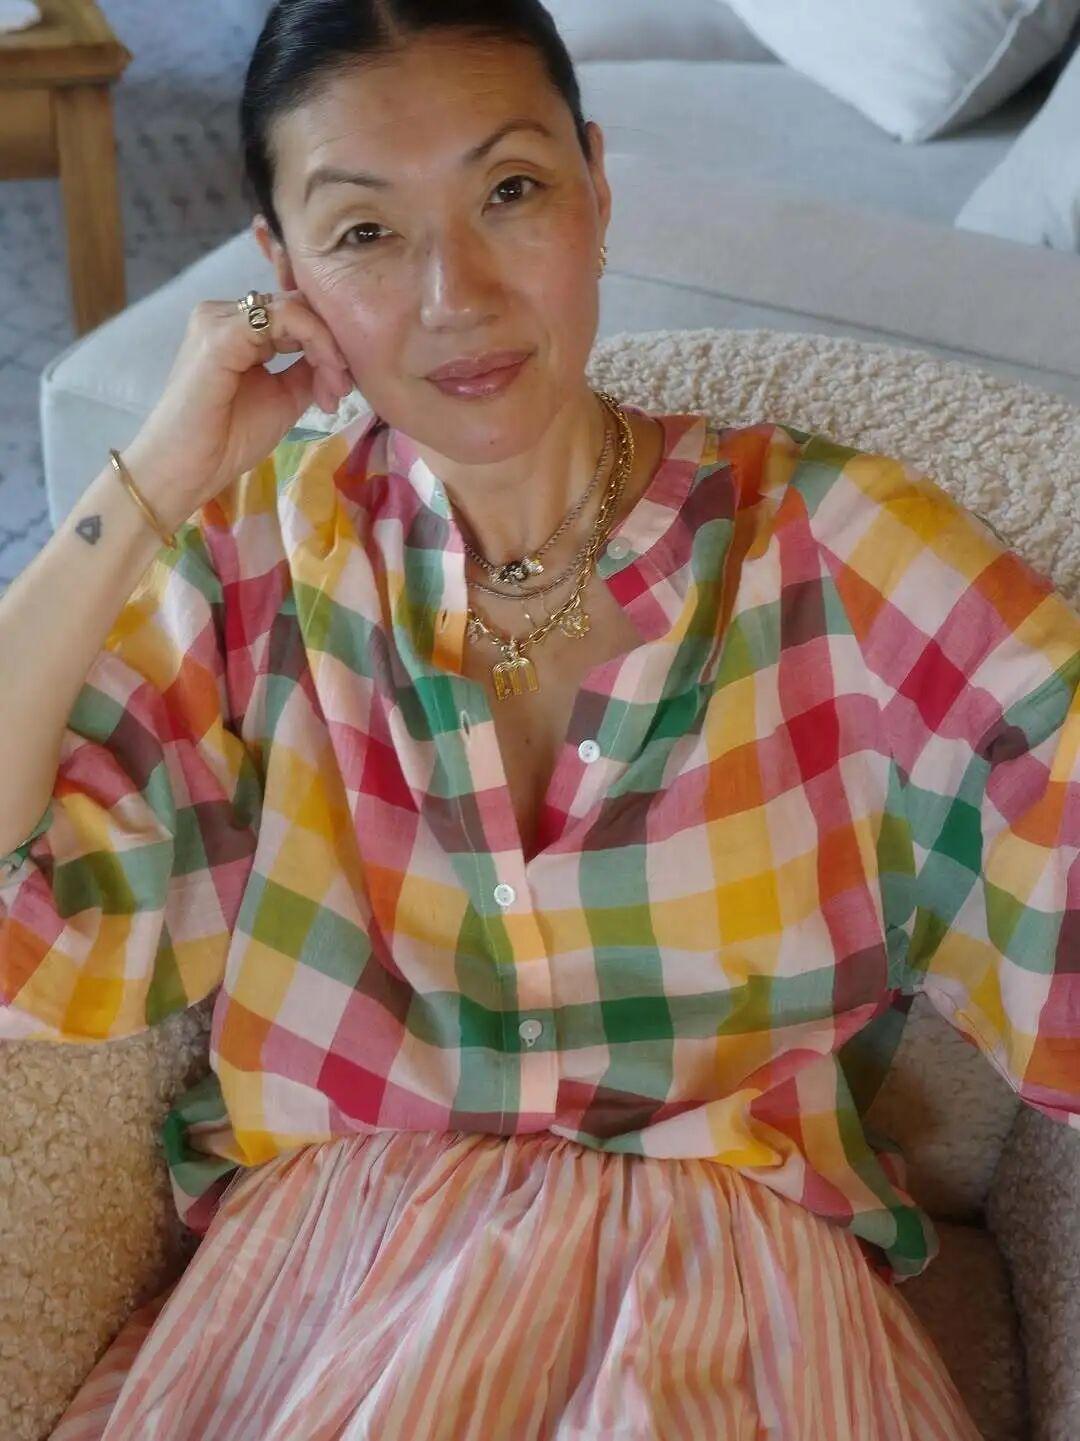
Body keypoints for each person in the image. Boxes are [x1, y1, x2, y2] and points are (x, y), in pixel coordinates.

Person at [2, 1, 1078, 1436]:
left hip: (738, 1302)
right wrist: (150, 475)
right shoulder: (261, 553)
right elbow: (27, 897)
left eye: (510, 190)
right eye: (365, 231)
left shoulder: (837, 548)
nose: (455, 293)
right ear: (282, 271)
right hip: (325, 1298)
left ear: (596, 186)